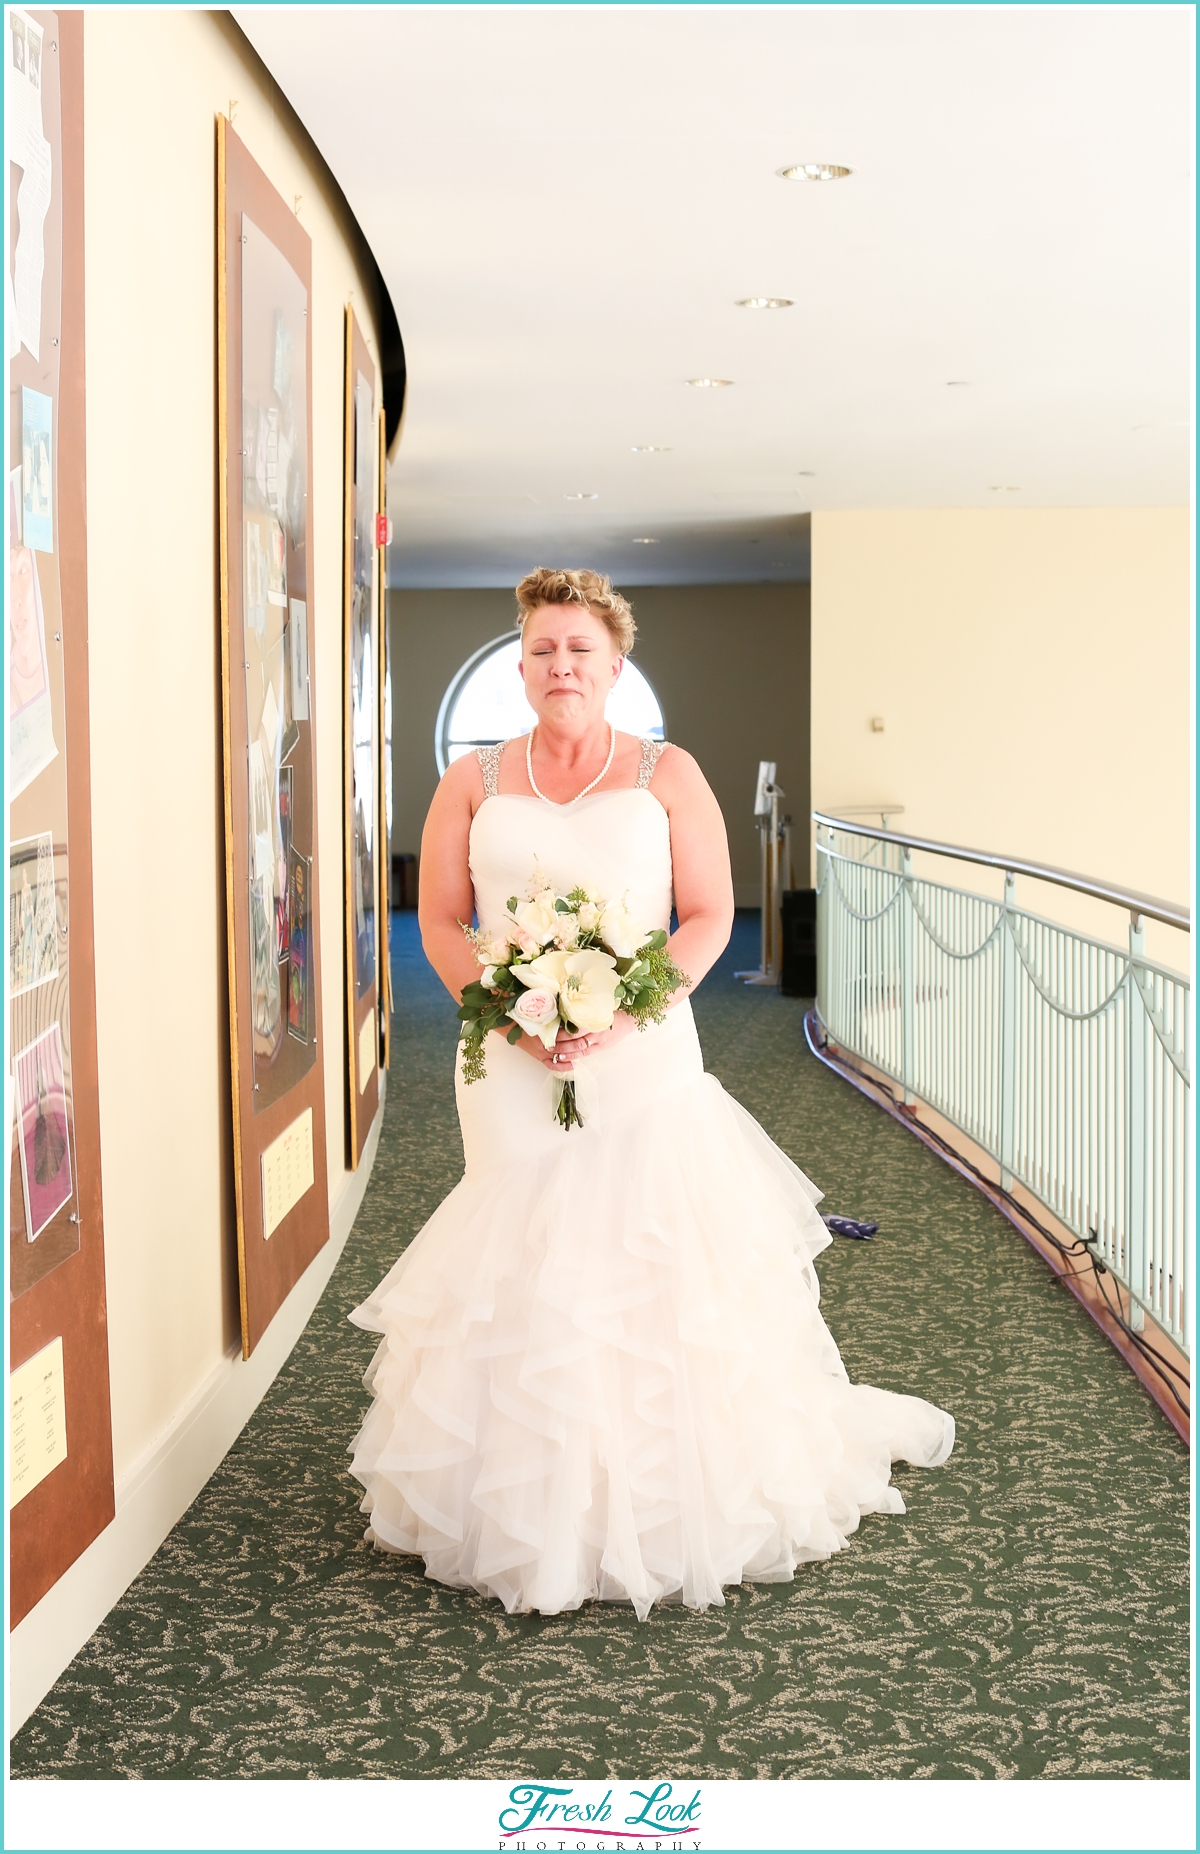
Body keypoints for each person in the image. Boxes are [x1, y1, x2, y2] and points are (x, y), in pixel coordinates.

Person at [349, 567, 953, 1619]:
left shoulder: (669, 772)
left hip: (643, 1054)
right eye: (542, 649)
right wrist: (506, 1010)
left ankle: (662, 1499)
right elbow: (440, 919)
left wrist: (622, 1014)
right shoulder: (474, 783)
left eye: (581, 649)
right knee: (528, 1251)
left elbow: (712, 915)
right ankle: (532, 1500)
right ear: (521, 663)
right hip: (509, 1059)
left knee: (644, 1254)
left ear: (614, 663)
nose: (561, 666)